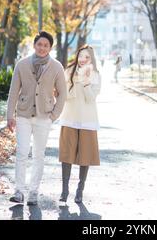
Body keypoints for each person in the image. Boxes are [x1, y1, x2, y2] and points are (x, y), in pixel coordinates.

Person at [6, 31, 67, 205]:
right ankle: (18, 191)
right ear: (35, 45)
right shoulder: (22, 64)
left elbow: (63, 94)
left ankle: (33, 192)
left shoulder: (57, 67)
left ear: (50, 48)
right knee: (22, 152)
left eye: (46, 45)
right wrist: (10, 115)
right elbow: (13, 92)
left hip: (44, 117)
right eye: (39, 44)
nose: (42, 48)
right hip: (24, 115)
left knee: (38, 155)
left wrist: (53, 115)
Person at [58, 44, 101, 204]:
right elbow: (64, 95)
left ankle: (80, 190)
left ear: (92, 59)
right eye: (81, 56)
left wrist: (85, 82)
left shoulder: (96, 75)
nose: (83, 60)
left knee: (85, 156)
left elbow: (91, 98)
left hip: (88, 121)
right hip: (69, 118)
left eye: (87, 57)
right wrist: (75, 80)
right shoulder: (69, 71)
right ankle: (64, 190)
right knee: (66, 155)